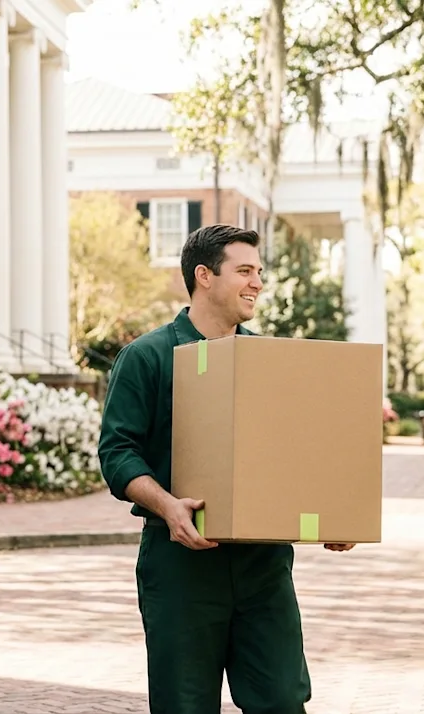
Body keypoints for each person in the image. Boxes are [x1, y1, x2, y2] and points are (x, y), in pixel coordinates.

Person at [98, 224, 354, 714]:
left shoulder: (270, 362)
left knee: (282, 700)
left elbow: (299, 451)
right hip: (181, 565)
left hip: (264, 567)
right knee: (184, 705)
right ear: (204, 276)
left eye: (259, 272)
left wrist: (334, 511)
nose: (257, 282)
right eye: (244, 271)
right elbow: (117, 452)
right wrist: (168, 505)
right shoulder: (148, 357)